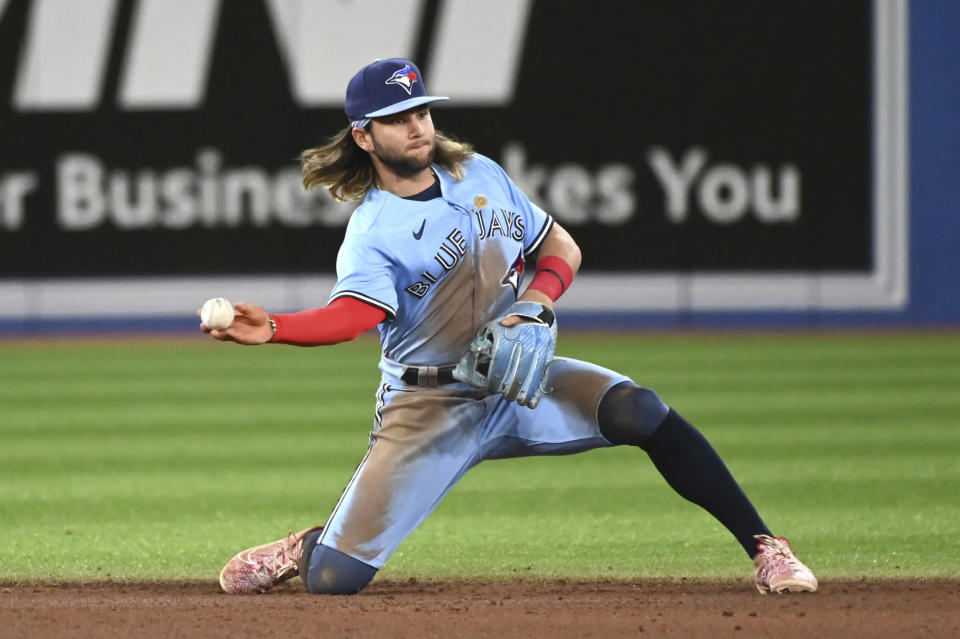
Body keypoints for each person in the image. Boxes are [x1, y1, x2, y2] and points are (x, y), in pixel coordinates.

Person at [209, 58, 817, 596]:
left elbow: (559, 245)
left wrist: (537, 302)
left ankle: (767, 549)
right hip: (428, 408)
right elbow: (352, 318)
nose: (418, 125)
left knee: (642, 410)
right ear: (365, 135)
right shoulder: (373, 232)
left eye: (421, 110)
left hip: (515, 378)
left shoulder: (480, 174)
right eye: (397, 118)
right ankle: (308, 546)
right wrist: (277, 327)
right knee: (335, 582)